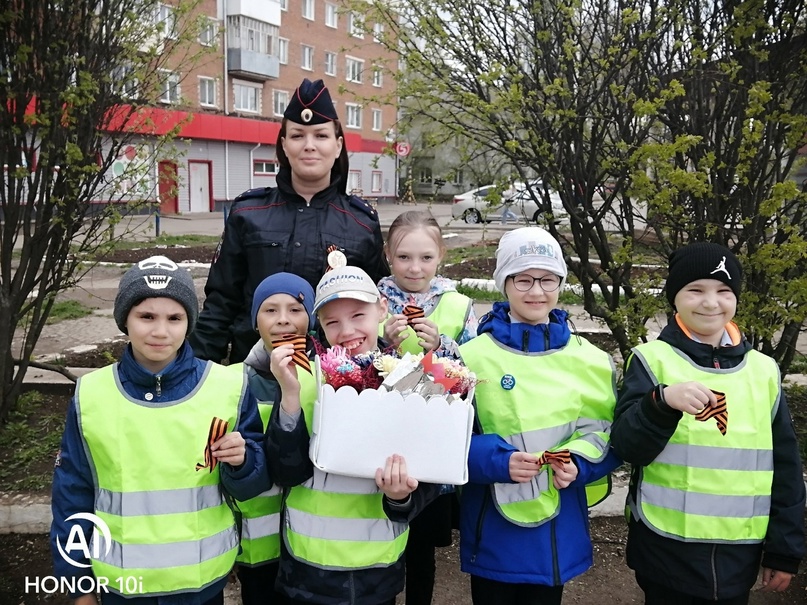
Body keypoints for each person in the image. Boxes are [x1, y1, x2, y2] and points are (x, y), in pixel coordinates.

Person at [50, 255, 269, 605]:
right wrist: (79, 586)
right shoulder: (92, 395)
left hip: (200, 585)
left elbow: (254, 483)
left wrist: (243, 462)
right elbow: (72, 495)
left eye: (175, 318)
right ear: (125, 319)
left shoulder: (227, 387)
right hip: (122, 587)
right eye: (146, 316)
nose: (160, 331)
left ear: (189, 322)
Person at [610, 242, 806, 604]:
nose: (711, 302)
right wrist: (661, 402)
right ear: (675, 298)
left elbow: (786, 465)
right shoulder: (651, 361)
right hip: (666, 552)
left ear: (736, 298)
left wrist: (784, 549)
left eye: (723, 291)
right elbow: (626, 446)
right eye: (695, 290)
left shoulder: (763, 370)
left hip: (739, 555)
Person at [457, 227, 621, 605]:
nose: (536, 291)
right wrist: (496, 461)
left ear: (561, 283)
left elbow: (607, 434)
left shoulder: (590, 360)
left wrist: (580, 463)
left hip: (558, 528)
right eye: (523, 279)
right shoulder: (470, 358)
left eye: (548, 279)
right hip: (493, 527)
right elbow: (444, 442)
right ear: (504, 283)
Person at [265, 265, 440, 604]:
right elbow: (285, 471)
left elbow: (432, 478)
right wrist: (288, 396)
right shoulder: (301, 378)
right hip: (306, 570)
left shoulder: (417, 379)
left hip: (377, 572)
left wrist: (401, 497)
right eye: (332, 322)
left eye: (359, 314)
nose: (347, 331)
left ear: (382, 309)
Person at [190, 78, 389, 364]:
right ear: (283, 146)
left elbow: (376, 304)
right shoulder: (248, 214)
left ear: (337, 146)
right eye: (297, 136)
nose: (309, 145)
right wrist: (199, 370)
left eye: (320, 136)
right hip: (256, 374)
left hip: (338, 382)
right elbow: (221, 302)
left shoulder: (361, 222)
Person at [377, 209, 478, 604]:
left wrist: (441, 348)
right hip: (382, 438)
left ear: (441, 258)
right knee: (381, 541)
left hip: (432, 444)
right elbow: (346, 362)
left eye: (425, 257)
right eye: (404, 257)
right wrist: (381, 342)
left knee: (421, 550)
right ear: (388, 254)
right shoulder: (373, 301)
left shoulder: (458, 306)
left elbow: (472, 379)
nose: (414, 267)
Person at [234, 272, 317, 604]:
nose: (284, 320)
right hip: (259, 547)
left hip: (313, 546)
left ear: (311, 318)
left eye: (296, 309)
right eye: (270, 310)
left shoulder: (333, 377)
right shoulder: (234, 383)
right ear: (255, 321)